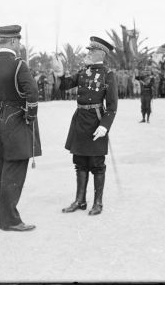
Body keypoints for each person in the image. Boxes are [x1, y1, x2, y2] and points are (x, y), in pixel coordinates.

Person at [0, 26, 40, 231]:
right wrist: (30, 117)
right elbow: (32, 92)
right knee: (13, 171)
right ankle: (11, 220)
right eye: (19, 41)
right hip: (17, 120)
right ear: (14, 42)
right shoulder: (18, 65)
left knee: (0, 170)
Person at [55, 36, 118, 216]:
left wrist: (105, 126)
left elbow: (112, 106)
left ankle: (98, 203)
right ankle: (80, 200)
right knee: (80, 162)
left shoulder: (108, 75)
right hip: (80, 120)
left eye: (91, 51)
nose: (88, 53)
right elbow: (64, 86)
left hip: (97, 121)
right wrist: (59, 73)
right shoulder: (83, 72)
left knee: (97, 163)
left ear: (100, 53)